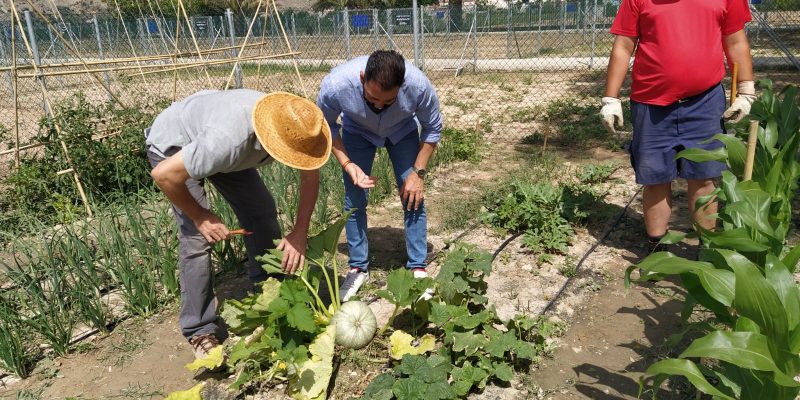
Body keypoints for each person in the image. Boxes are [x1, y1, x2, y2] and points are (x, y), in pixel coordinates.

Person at [145, 90, 331, 359]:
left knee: (261, 212)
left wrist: (300, 231)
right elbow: (163, 176)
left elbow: (310, 178)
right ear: (272, 142)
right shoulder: (226, 142)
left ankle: (270, 291)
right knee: (197, 238)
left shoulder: (302, 128)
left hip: (218, 143)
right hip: (176, 146)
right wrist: (199, 215)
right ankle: (199, 329)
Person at [600, 0, 756, 251]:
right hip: (650, 104)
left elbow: (735, 41)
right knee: (655, 178)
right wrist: (611, 98)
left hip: (705, 102)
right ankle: (656, 248)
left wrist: (746, 89)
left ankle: (708, 250)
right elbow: (624, 45)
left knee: (705, 177)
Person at [316, 50, 443, 301]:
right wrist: (347, 163)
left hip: (402, 131)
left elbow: (432, 127)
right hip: (357, 132)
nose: (378, 106)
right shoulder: (336, 85)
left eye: (388, 101)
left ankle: (417, 266)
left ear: (402, 86)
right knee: (355, 198)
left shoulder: (418, 85)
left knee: (412, 194)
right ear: (363, 78)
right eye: (372, 98)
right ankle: (357, 267)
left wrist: (418, 173)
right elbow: (324, 124)